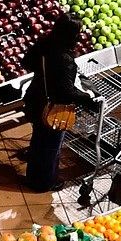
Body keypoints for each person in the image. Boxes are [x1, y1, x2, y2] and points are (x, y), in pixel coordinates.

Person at [19, 17, 97, 192]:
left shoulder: (45, 43)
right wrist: (87, 98)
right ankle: (44, 182)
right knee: (50, 146)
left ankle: (33, 177)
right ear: (73, 36)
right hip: (53, 109)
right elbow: (66, 91)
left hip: (37, 98)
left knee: (39, 139)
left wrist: (43, 73)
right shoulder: (65, 58)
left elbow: (26, 62)